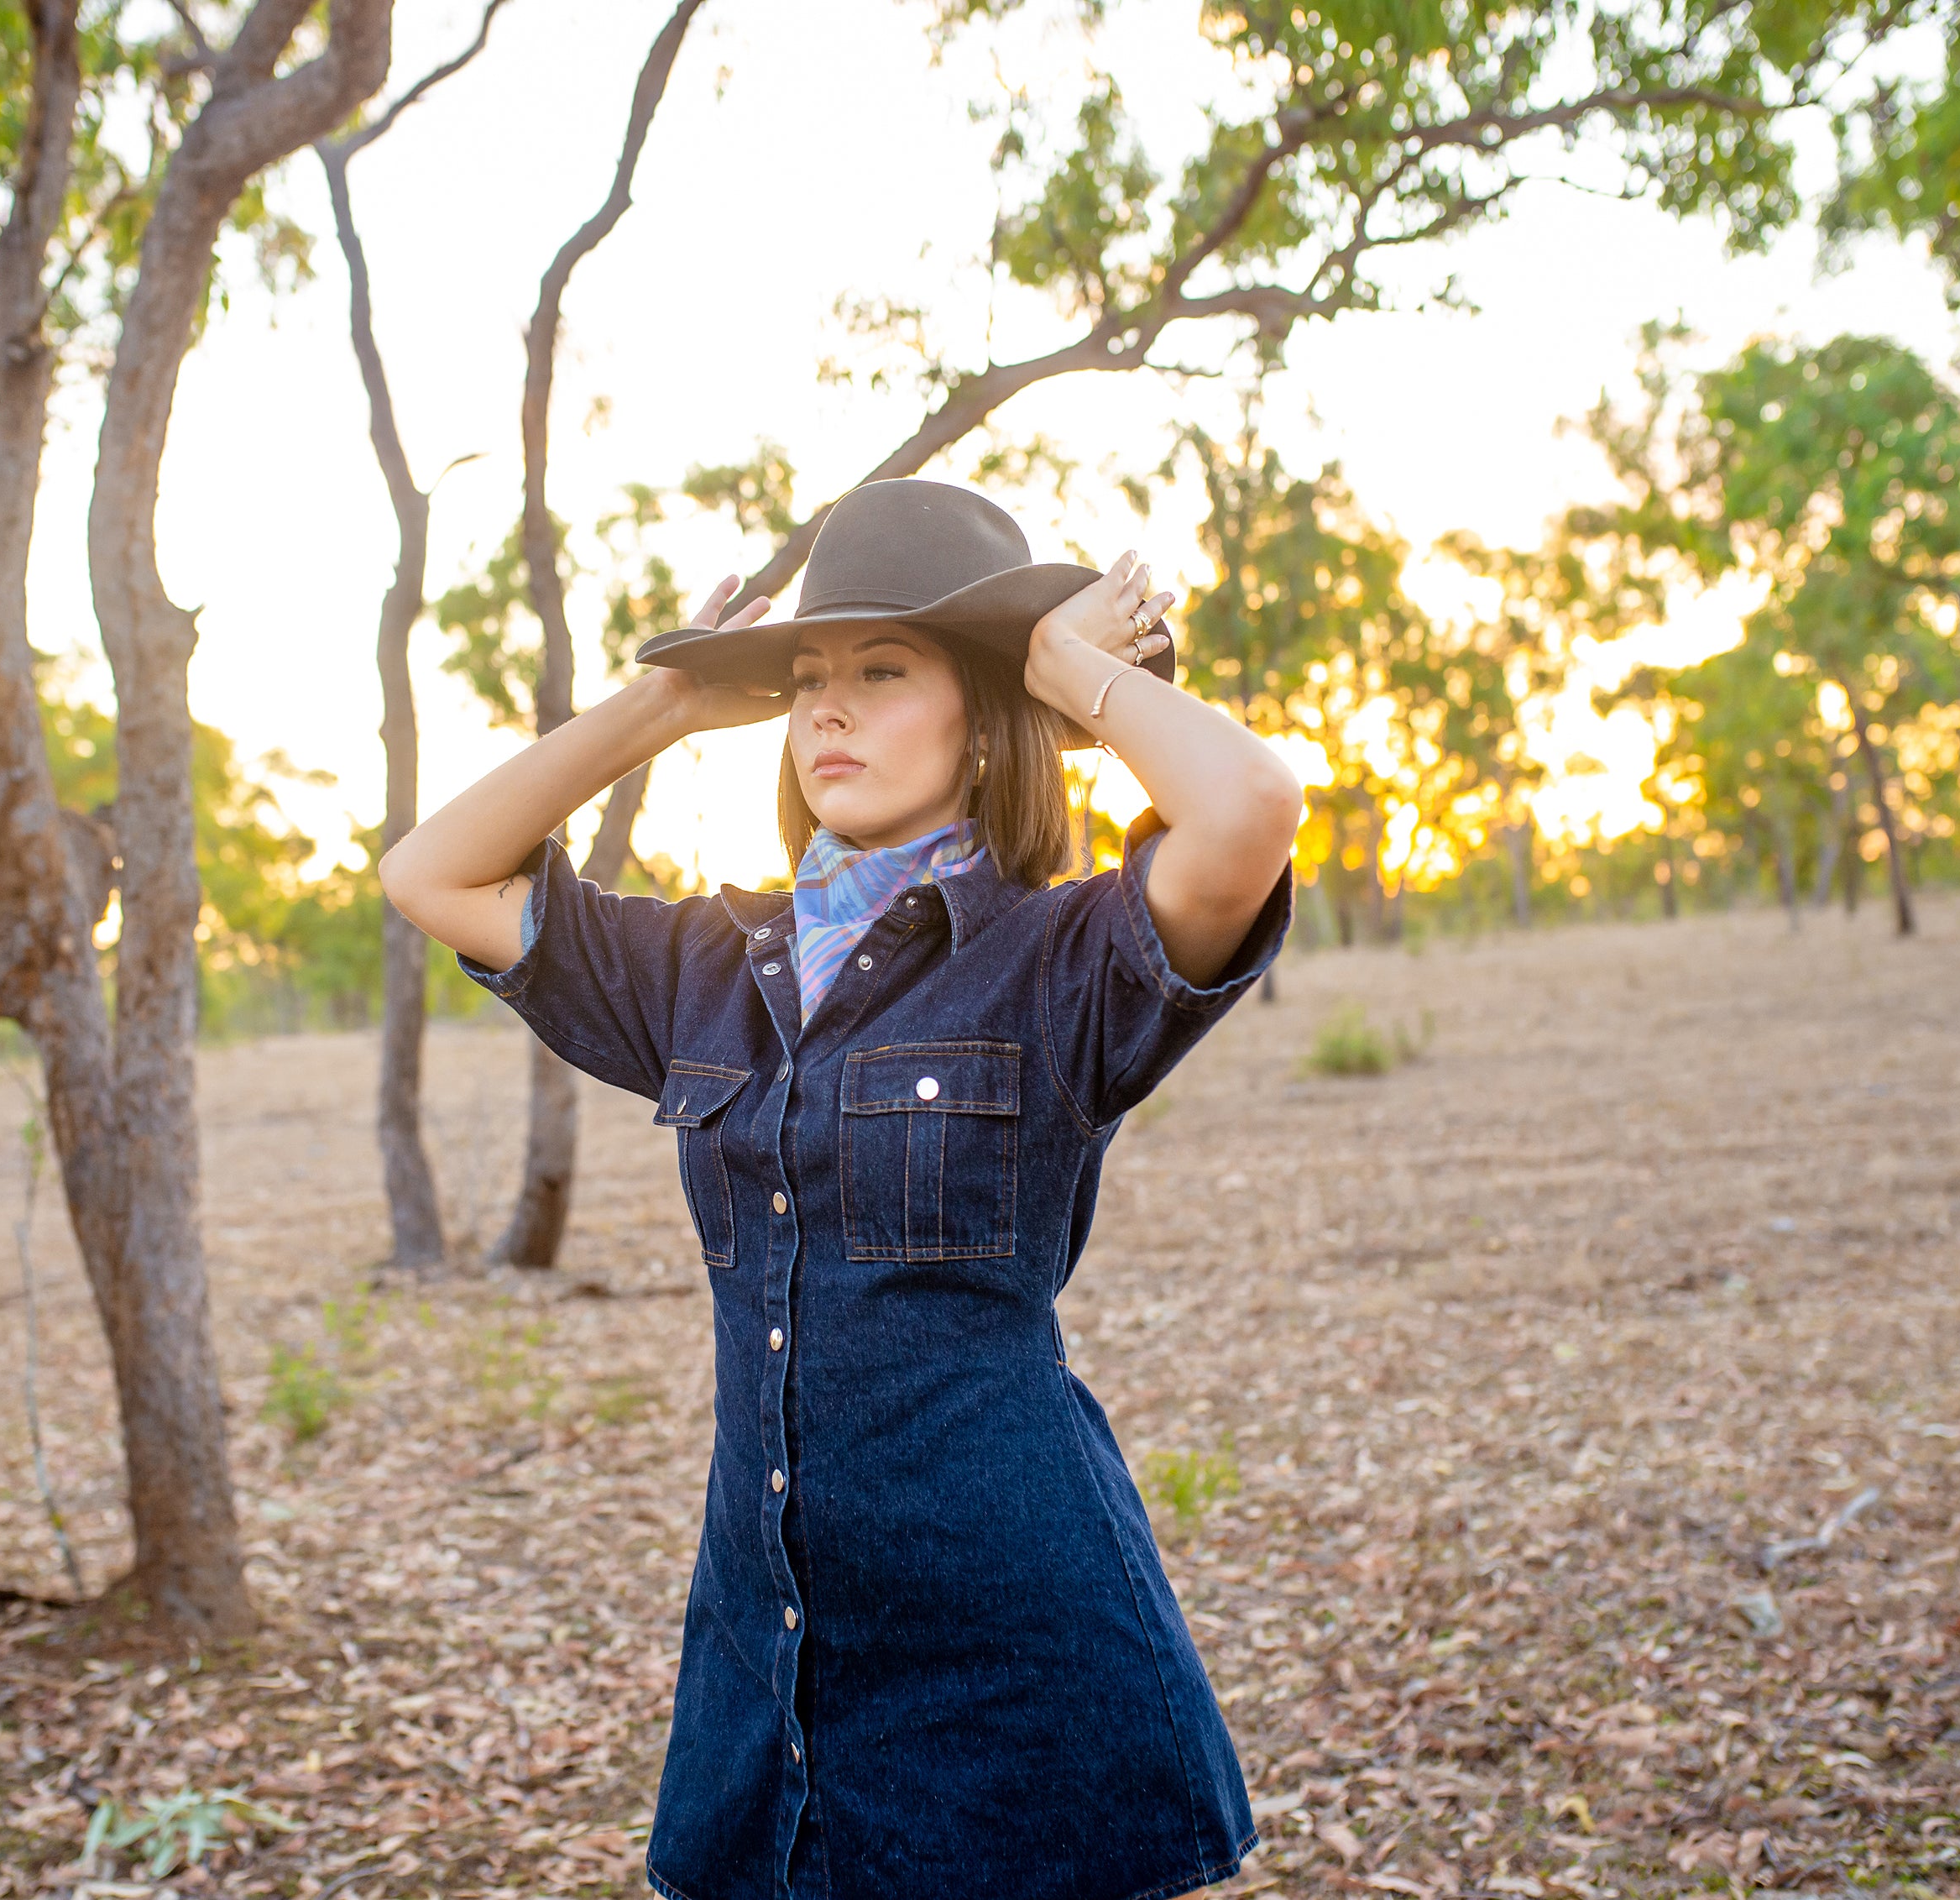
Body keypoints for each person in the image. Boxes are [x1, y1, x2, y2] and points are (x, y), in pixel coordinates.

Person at [382, 479, 1305, 1900]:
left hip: (1014, 1662)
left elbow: (1249, 806)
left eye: (883, 673)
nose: (828, 711)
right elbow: (431, 873)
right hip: (773, 1659)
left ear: (983, 715)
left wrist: (1060, 665)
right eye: (809, 679)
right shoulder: (705, 969)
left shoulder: (1060, 964)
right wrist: (670, 701)